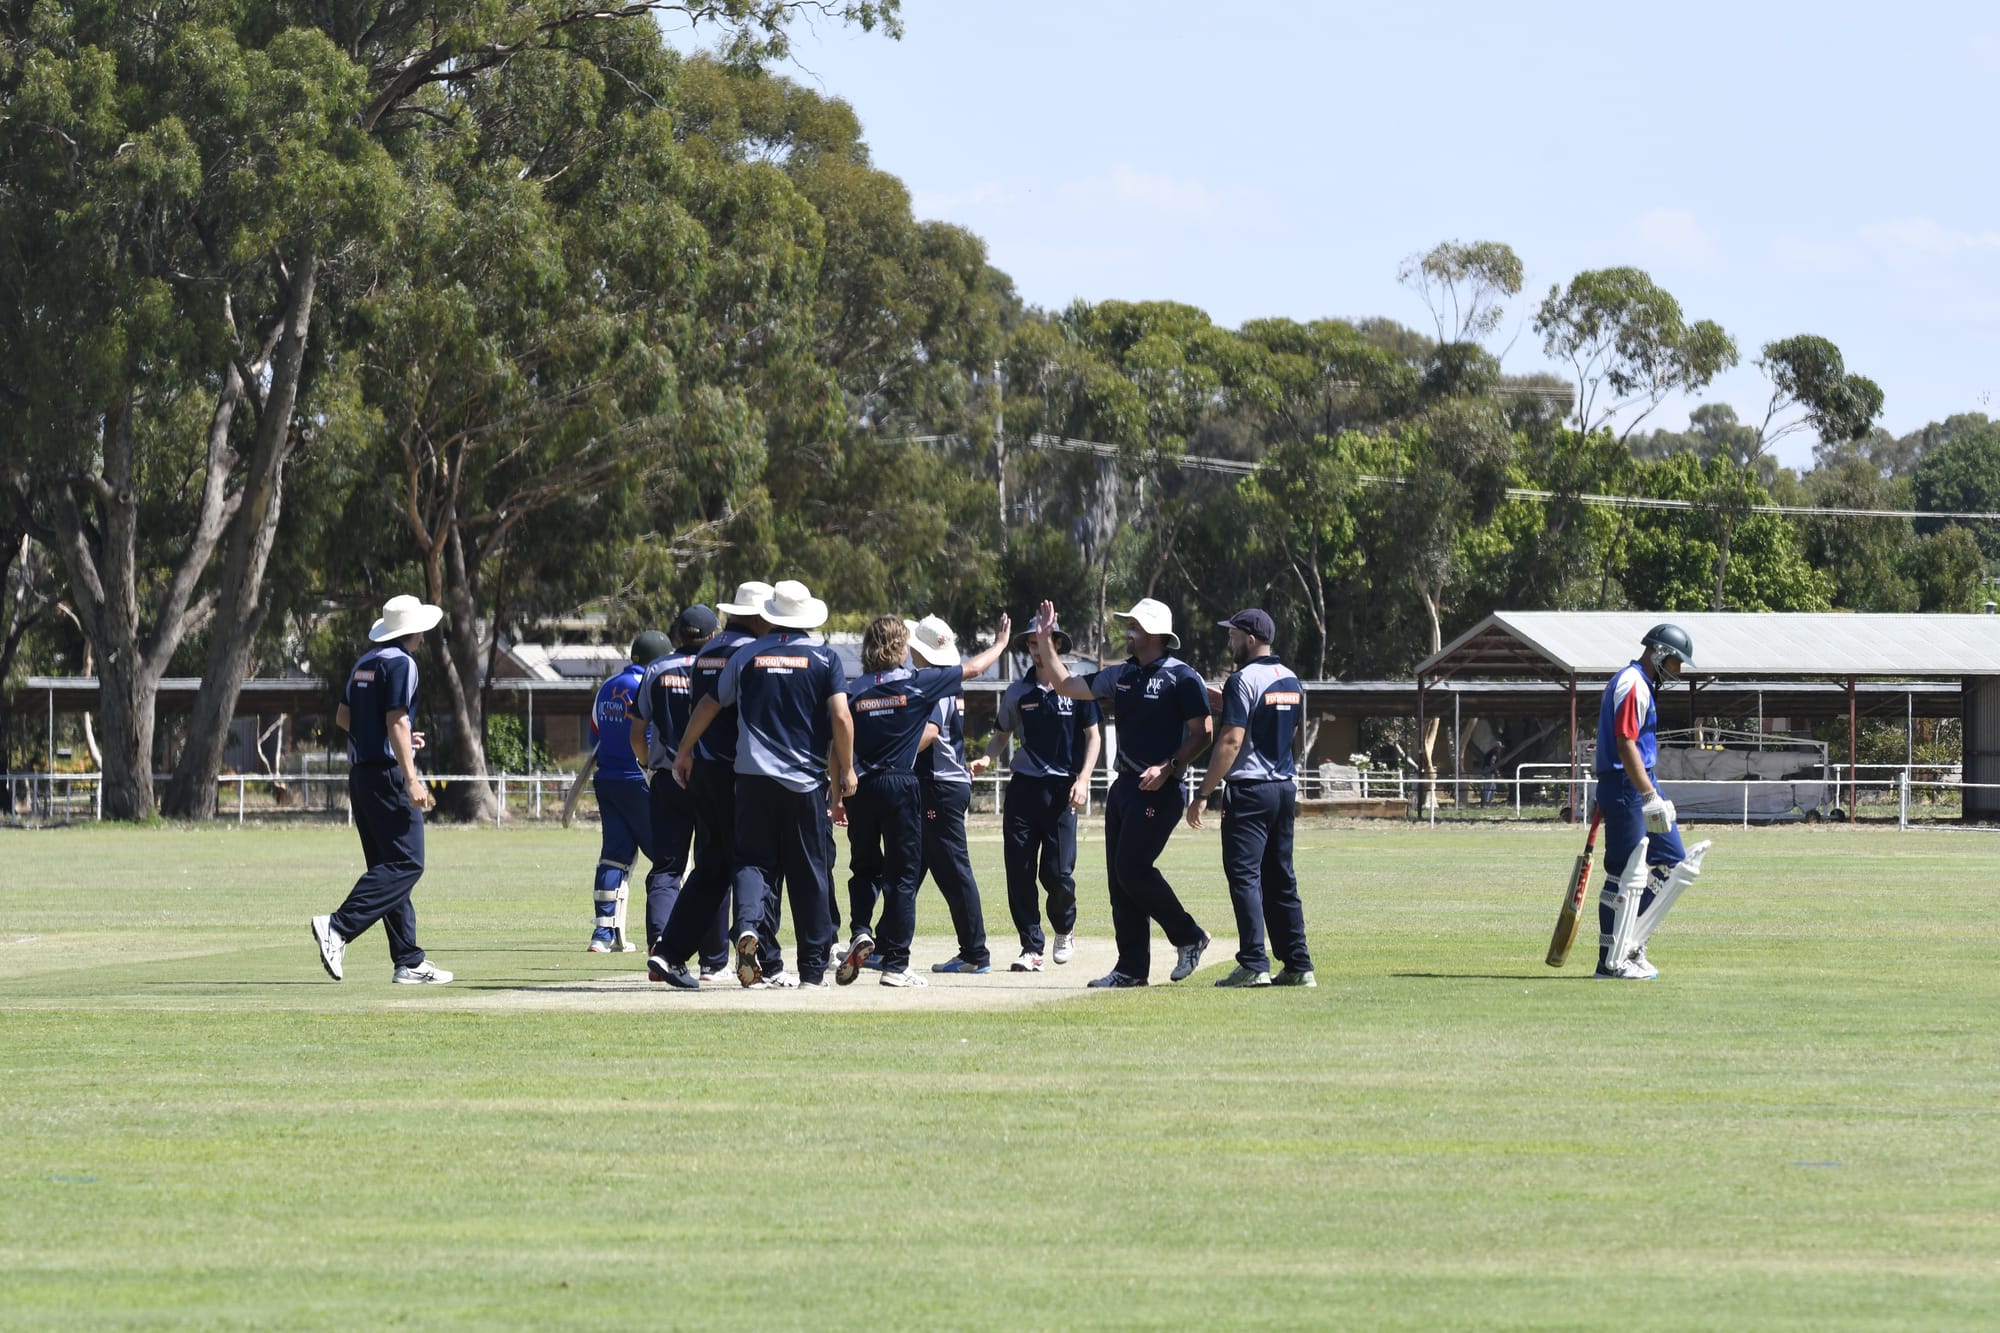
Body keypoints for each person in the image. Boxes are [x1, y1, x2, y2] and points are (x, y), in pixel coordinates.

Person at [671, 580, 854, 990]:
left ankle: (749, 926)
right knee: (809, 873)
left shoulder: (749, 654)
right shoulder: (826, 659)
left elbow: (709, 703)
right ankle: (810, 971)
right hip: (804, 783)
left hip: (751, 779)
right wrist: (847, 769)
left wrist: (685, 751)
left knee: (753, 862)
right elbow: (841, 718)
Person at [1026, 597, 1213, 988]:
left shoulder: (1183, 677)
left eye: (1135, 625)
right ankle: (1130, 970)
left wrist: (1169, 768)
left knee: (1132, 869)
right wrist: (1045, 642)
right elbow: (1066, 685)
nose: (1127, 630)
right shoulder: (1121, 675)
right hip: (1124, 787)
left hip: (1161, 790)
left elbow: (1203, 733)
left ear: (1155, 633)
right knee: (1119, 880)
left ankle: (1189, 935)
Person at [838, 613, 1010, 987]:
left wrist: (843, 780)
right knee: (905, 875)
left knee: (874, 868)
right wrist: (999, 645)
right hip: (905, 783)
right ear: (901, 647)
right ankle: (894, 958)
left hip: (877, 784)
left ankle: (867, 932)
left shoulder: (857, 688)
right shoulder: (923, 683)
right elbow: (974, 670)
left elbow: (839, 732)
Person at [311, 594, 453, 985]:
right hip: (389, 778)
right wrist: (410, 776)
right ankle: (338, 927)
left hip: (361, 776)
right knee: (408, 864)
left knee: (388, 868)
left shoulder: (364, 662)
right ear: (415, 630)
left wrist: (393, 739)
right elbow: (397, 718)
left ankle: (408, 960)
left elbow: (344, 718)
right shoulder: (403, 663)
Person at [647, 582, 771, 986]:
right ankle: (755, 941)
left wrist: (684, 752)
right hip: (742, 771)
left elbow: (698, 708)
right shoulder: (752, 654)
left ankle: (669, 952)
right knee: (754, 859)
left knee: (711, 867)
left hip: (702, 770)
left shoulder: (704, 655)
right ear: (756, 617)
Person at [1187, 609, 1316, 988]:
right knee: (1282, 879)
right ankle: (1298, 964)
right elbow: (1291, 727)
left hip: (1248, 791)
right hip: (1283, 788)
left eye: (1234, 636)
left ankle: (1254, 963)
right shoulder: (1292, 680)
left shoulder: (1242, 680)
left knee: (1245, 877)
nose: (1230, 641)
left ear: (1251, 639)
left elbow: (1231, 740)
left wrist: (1203, 793)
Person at [1593, 623, 1714, 981]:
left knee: (1673, 860)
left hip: (1638, 782)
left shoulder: (1642, 685)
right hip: (1627, 785)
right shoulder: (1632, 683)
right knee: (1623, 873)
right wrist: (1647, 795)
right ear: (1660, 654)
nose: (1676, 672)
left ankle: (1631, 943)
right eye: (1676, 663)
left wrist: (1651, 791)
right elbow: (1624, 743)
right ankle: (1609, 960)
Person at [979, 625, 1100, 972]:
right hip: (1024, 789)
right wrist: (988, 757)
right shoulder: (1018, 691)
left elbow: (1094, 739)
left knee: (1058, 873)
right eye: (1031, 643)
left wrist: (1085, 778)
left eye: (1042, 641)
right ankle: (1031, 947)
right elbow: (1001, 734)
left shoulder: (1078, 687)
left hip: (1064, 791)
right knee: (1019, 870)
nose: (1036, 648)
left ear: (1057, 644)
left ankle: (1065, 927)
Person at [630, 606, 729, 973]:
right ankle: (713, 960)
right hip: (711, 778)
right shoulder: (719, 665)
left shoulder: (657, 669)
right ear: (713, 633)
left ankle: (662, 946)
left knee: (667, 868)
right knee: (713, 865)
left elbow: (637, 733)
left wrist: (648, 766)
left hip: (667, 778)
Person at [909, 614, 1004, 977]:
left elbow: (930, 733)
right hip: (941, 784)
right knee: (910, 866)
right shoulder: (945, 681)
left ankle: (975, 953)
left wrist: (891, 755)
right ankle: (886, 944)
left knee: (953, 871)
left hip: (940, 786)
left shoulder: (933, 683)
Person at [584, 633, 662, 952]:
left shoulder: (606, 687)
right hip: (638, 779)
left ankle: (603, 936)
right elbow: (653, 734)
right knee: (665, 858)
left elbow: (593, 738)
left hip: (607, 780)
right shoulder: (650, 685)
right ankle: (662, 935)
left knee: (614, 857)